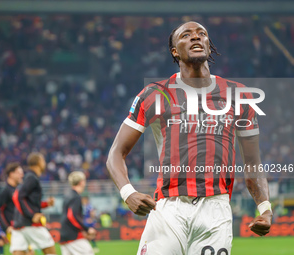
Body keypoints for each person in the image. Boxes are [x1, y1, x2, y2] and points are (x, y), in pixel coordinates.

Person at [107, 21, 272, 254]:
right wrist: (128, 192)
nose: (196, 37)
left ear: (208, 45)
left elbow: (253, 163)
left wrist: (265, 209)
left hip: (216, 210)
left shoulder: (240, 96)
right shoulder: (155, 94)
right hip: (167, 209)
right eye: (186, 35)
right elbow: (116, 153)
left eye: (201, 34)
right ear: (175, 51)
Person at [11, 152, 56, 255]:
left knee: (19, 252)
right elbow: (17, 196)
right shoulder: (32, 178)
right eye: (43, 161)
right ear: (39, 162)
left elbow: (30, 202)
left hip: (19, 224)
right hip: (30, 223)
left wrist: (46, 204)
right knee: (51, 251)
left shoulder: (29, 177)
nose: (45, 163)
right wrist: (32, 215)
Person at [59, 171, 97, 255]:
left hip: (64, 235)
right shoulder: (76, 197)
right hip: (73, 236)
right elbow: (71, 216)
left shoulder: (68, 195)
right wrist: (86, 229)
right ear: (81, 182)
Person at [0, 162, 24, 240]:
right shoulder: (5, 191)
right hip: (13, 229)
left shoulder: (18, 190)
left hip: (20, 227)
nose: (21, 175)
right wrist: (6, 227)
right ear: (11, 174)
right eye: (18, 173)